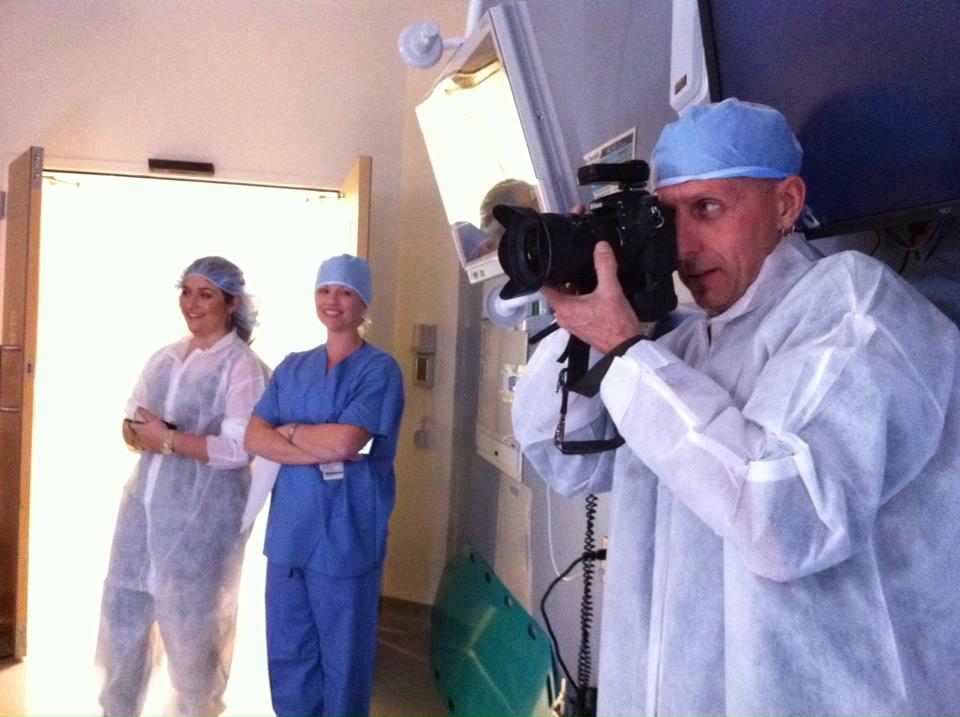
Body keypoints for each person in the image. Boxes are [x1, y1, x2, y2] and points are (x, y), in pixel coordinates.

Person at [512, 98, 960, 715]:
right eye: (669, 215)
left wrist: (625, 350)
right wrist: (586, 313)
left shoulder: (855, 312)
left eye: (708, 208)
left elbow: (784, 520)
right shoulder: (683, 347)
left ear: (787, 204)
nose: (684, 245)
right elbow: (564, 459)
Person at [96, 256, 270, 716]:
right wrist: (139, 432)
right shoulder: (166, 358)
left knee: (194, 641)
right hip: (141, 519)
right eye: (186, 292)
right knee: (123, 627)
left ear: (232, 304)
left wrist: (168, 439)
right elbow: (131, 425)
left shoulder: (241, 367)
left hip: (202, 527)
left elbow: (239, 449)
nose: (192, 304)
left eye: (205, 294)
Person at [244, 254, 404, 717]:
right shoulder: (294, 366)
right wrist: (319, 445)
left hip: (347, 533)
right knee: (288, 648)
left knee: (344, 653)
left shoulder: (380, 369)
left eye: (345, 292)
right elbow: (254, 436)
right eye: (324, 290)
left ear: (363, 302)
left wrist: (289, 432)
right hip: (290, 534)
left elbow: (348, 441)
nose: (332, 301)